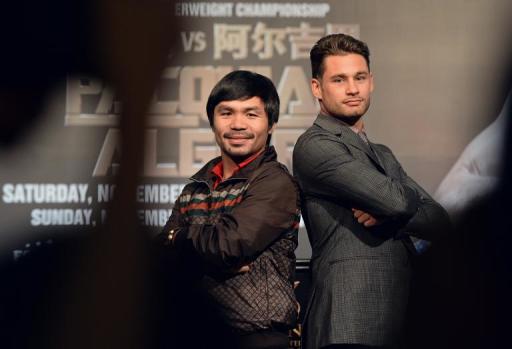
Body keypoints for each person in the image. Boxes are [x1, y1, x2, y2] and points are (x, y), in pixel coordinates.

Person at [293, 34, 450, 349]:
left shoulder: (382, 152)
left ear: (371, 81)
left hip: (400, 316)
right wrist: (393, 202)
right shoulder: (316, 144)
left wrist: (390, 211)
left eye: (359, 77)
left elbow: (439, 220)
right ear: (316, 88)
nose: (353, 89)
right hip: (350, 318)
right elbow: (396, 200)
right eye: (339, 79)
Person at [159, 70, 300, 349]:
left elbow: (229, 244)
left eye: (251, 114)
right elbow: (160, 256)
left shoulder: (275, 182)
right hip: (194, 335)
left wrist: (180, 238)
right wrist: (186, 247)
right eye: (227, 113)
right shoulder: (195, 188)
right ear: (212, 121)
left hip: (257, 337)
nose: (237, 124)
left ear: (271, 124)